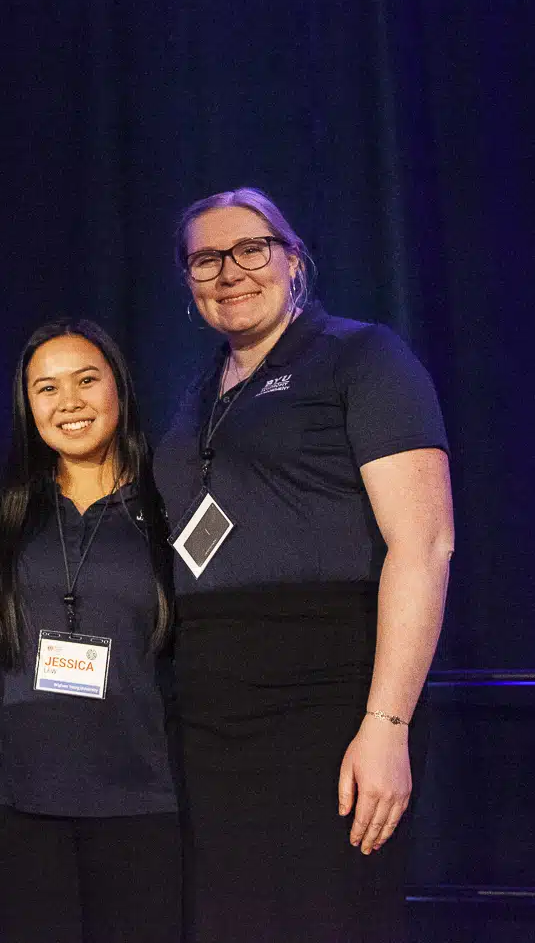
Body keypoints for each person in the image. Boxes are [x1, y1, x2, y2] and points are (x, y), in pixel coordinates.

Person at [154, 188, 454, 942]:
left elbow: (425, 547)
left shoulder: (363, 355)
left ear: (293, 260)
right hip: (209, 707)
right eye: (206, 259)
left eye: (251, 249)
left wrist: (386, 725)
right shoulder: (198, 390)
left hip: (326, 700)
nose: (230, 272)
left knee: (327, 915)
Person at [0, 319, 180, 943]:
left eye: (87, 381)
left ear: (119, 388)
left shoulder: (171, 501)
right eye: (47, 388)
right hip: (15, 803)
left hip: (143, 800)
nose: (69, 403)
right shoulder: (2, 505)